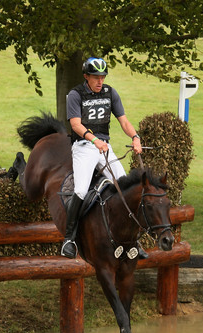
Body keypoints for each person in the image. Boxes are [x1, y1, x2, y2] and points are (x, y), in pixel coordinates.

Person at [61, 57, 146, 259]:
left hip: (104, 147)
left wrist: (135, 137)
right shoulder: (75, 95)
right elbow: (76, 125)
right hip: (84, 147)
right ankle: (68, 240)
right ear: (86, 77)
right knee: (80, 189)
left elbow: (123, 121)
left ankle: (133, 240)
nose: (100, 81)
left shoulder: (110, 93)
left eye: (103, 77)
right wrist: (94, 141)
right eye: (96, 77)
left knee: (125, 186)